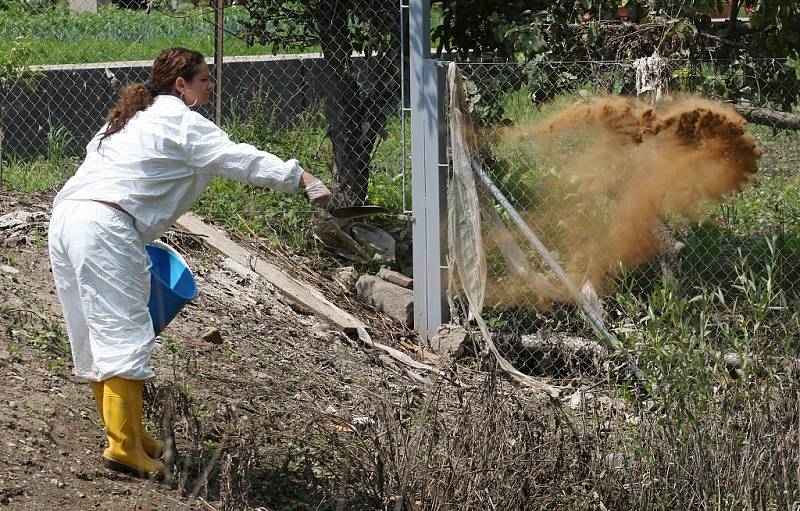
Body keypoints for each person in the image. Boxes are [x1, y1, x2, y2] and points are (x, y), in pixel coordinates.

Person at [47, 47, 332, 478]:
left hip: (67, 218)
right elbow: (241, 159)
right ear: (181, 84)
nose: (211, 86)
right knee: (125, 330)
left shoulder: (127, 118)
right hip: (107, 223)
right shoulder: (180, 121)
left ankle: (129, 435)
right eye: (205, 79)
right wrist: (301, 178)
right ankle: (124, 449)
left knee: (94, 329)